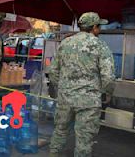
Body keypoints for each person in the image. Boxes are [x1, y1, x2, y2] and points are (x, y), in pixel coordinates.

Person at [48, 12, 115, 157]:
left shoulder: (65, 43)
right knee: (84, 140)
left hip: (65, 97)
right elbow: (108, 77)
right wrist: (107, 93)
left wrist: (61, 88)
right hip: (89, 101)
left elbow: (53, 71)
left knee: (60, 131)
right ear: (94, 27)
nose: (100, 30)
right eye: (99, 27)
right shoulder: (100, 45)